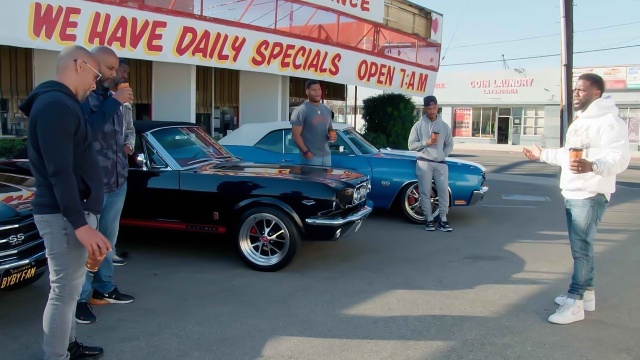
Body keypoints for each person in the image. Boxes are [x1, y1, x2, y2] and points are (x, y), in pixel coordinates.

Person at [19, 44, 111, 360]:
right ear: (79, 65)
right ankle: (56, 355)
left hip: (70, 215)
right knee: (63, 293)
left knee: (70, 291)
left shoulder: (62, 104)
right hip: (63, 217)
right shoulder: (55, 106)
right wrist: (81, 225)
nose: (95, 84)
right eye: (96, 75)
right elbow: (60, 171)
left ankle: (68, 345)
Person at [523, 73, 630, 325]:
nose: (576, 94)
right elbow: (567, 154)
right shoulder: (581, 121)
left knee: (581, 249)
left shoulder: (609, 121)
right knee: (581, 249)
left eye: (581, 90)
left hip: (591, 193)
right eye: (575, 90)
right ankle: (587, 295)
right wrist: (541, 155)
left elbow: (620, 157)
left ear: (596, 93)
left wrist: (593, 166)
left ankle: (575, 302)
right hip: (572, 191)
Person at [75, 46, 135, 325]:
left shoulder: (120, 102)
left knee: (109, 241)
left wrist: (128, 144)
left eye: (118, 70)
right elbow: (86, 130)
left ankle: (103, 288)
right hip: (92, 185)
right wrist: (114, 101)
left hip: (117, 180)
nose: (117, 74)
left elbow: (126, 131)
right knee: (88, 245)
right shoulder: (84, 97)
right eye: (111, 69)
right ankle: (78, 298)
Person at [408, 95, 454, 232]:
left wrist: (443, 154)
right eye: (429, 108)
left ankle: (443, 219)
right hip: (424, 162)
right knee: (425, 191)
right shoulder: (418, 125)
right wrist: (426, 143)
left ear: (437, 108)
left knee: (443, 191)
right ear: (425, 109)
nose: (432, 111)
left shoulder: (444, 126)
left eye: (434, 108)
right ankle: (428, 219)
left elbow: (449, 144)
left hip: (440, 162)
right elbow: (411, 145)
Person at [111, 58, 134, 267]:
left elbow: (130, 129)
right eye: (121, 70)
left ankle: (111, 254)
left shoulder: (126, 103)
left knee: (112, 224)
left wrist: (129, 144)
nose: (124, 75)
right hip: (100, 174)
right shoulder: (96, 99)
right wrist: (115, 100)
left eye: (127, 72)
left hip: (120, 172)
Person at [290, 79, 336, 166]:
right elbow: (295, 135)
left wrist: (333, 134)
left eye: (319, 89)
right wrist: (306, 152)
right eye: (314, 90)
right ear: (307, 92)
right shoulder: (301, 111)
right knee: (312, 179)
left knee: (326, 180)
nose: (318, 92)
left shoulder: (326, 110)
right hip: (311, 158)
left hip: (327, 156)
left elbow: (330, 129)